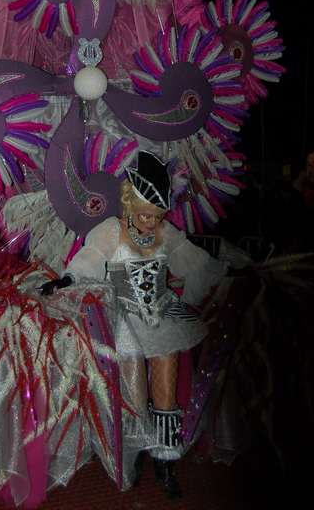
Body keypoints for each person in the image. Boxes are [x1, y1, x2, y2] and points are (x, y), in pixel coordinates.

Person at [41, 152, 228, 499]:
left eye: (156, 215)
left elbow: (195, 261)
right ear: (130, 203)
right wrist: (65, 280)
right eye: (144, 214)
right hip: (124, 324)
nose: (150, 222)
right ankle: (134, 458)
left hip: (164, 319)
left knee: (166, 398)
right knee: (133, 400)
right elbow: (86, 264)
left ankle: (165, 465)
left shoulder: (164, 232)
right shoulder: (110, 231)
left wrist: (227, 272)